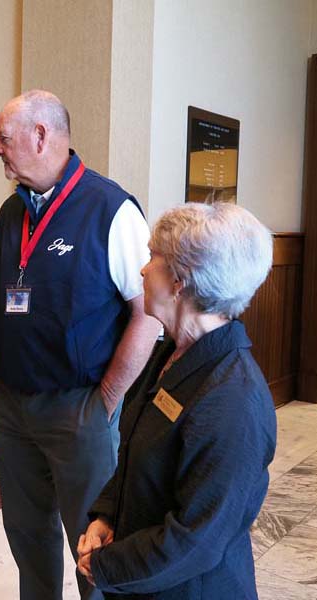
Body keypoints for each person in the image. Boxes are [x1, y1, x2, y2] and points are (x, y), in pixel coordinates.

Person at [0, 90, 160, 600]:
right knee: (26, 536)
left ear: (40, 136)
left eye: (3, 137)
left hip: (78, 409)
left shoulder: (111, 209)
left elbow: (147, 313)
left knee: (94, 549)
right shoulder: (9, 212)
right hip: (11, 407)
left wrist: (104, 401)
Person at [76, 202, 277, 599]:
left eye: (153, 257)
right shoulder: (172, 353)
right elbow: (138, 455)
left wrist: (107, 566)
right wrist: (106, 515)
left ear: (182, 280)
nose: (143, 269)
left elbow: (196, 540)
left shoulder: (234, 400)